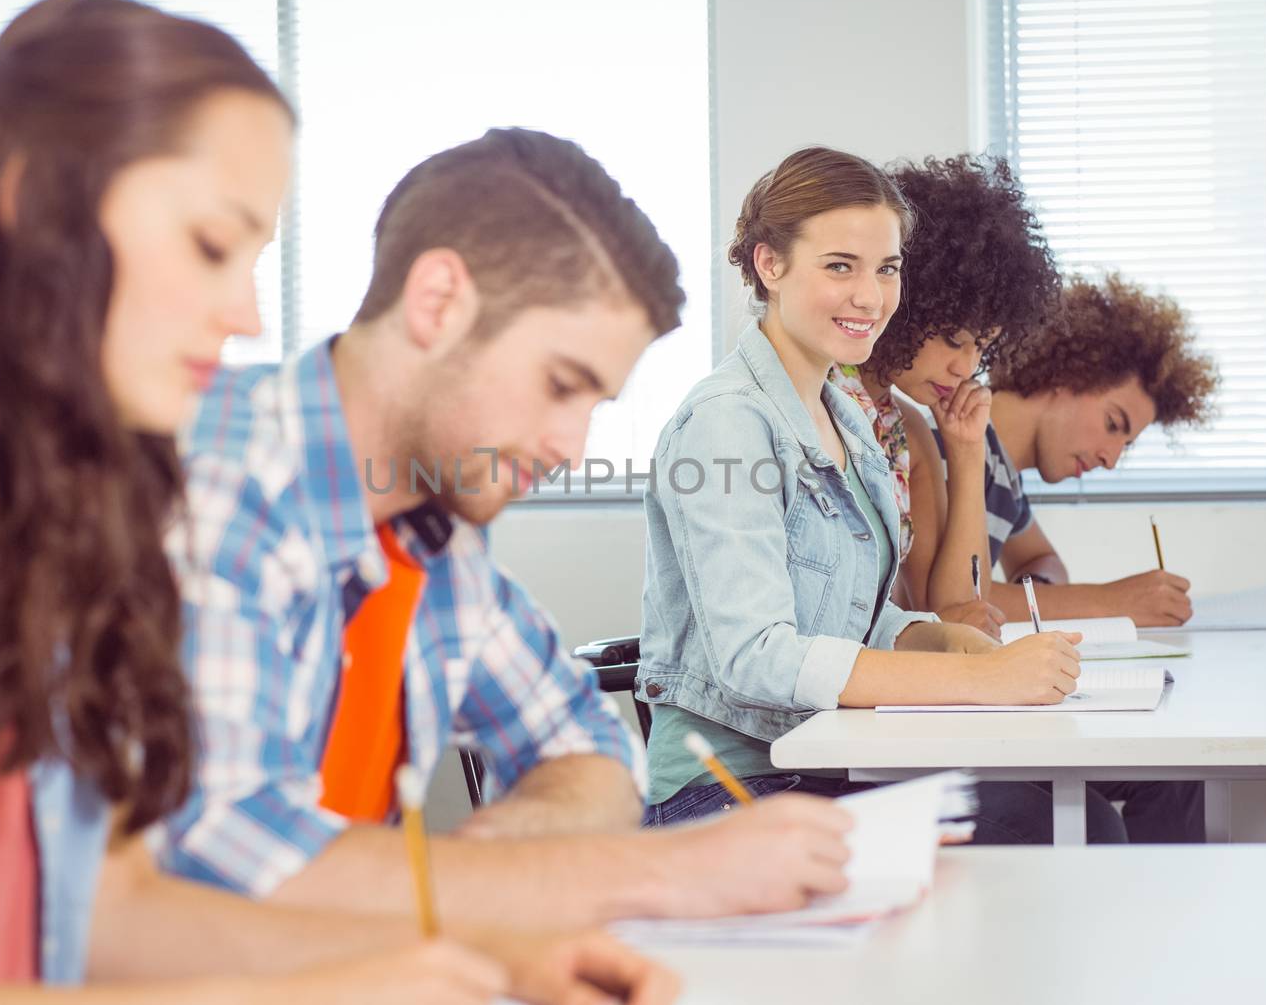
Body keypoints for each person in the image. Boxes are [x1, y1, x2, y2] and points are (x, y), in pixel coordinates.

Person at [0, 0, 674, 1004]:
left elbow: (110, 913)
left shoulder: (74, 487)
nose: (250, 312)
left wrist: (484, 960)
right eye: (213, 245)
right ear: (38, 202)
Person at [162, 126, 856, 926]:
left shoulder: (434, 530)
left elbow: (589, 745)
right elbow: (230, 862)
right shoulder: (222, 485)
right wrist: (643, 872)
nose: (569, 446)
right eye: (561, 383)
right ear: (439, 304)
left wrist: (492, 869)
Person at [636, 145, 1128, 844]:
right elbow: (758, 655)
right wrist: (986, 684)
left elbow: (851, 625)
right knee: (1045, 821)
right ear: (769, 264)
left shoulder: (845, 417)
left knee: (1060, 812)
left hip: (826, 766)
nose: (871, 296)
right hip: (728, 797)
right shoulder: (727, 422)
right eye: (841, 266)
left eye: (887, 268)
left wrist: (946, 641)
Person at [831, 154, 1061, 636]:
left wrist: (966, 449)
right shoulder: (824, 399)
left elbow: (960, 606)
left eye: (981, 346)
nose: (966, 367)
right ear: (908, 306)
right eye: (955, 340)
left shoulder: (908, 430)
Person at [975, 272, 1219, 628]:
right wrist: (1109, 603)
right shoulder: (951, 443)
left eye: (1126, 443)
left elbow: (1043, 561)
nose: (1111, 459)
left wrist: (1035, 604)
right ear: (1067, 374)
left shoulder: (1003, 478)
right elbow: (946, 603)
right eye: (1113, 424)